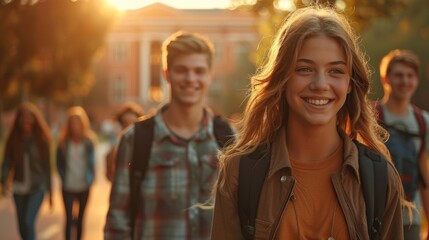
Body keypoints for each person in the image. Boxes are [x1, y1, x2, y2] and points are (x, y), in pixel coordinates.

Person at [211, 6, 405, 239]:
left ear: (350, 83)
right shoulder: (240, 173)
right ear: (282, 79)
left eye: (335, 71)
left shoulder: (379, 177)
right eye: (304, 69)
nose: (320, 84)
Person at [104, 31, 233, 239]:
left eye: (199, 71)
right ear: (166, 73)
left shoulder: (229, 140)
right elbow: (117, 222)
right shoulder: (135, 140)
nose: (191, 79)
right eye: (181, 70)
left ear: (210, 75)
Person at [377, 49, 429, 239]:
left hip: (410, 220)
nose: (405, 81)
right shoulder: (370, 117)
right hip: (374, 217)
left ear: (416, 80)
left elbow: (423, 176)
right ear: (386, 79)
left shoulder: (423, 121)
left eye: (410, 76)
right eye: (398, 75)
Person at [1, 102, 53, 240]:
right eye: (23, 117)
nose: (26, 120)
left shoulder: (41, 140)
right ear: (18, 120)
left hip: (37, 187)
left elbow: (47, 167)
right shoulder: (13, 139)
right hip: (19, 188)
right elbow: (7, 162)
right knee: (22, 227)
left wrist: (51, 192)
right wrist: (4, 180)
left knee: (28, 222)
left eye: (30, 117)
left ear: (35, 120)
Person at [56, 106, 97, 240]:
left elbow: (92, 163)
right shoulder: (63, 143)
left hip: (84, 185)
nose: (75, 126)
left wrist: (91, 179)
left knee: (80, 219)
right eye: (72, 122)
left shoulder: (88, 142)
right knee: (68, 218)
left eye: (77, 122)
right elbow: (58, 164)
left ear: (82, 123)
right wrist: (63, 177)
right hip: (68, 185)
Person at [105, 102, 144, 181]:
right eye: (125, 123)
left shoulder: (145, 147)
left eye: (132, 124)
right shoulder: (114, 149)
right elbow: (109, 176)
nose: (129, 128)